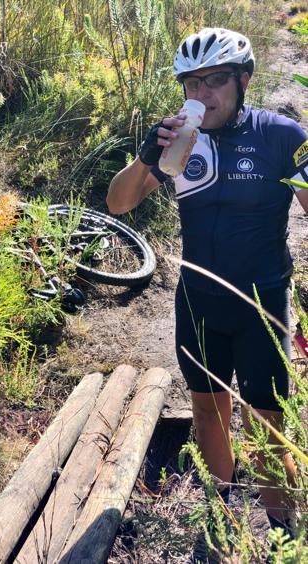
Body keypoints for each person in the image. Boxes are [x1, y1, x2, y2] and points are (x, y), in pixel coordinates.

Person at [107, 27, 308, 552]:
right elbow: (118, 203)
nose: (203, 95)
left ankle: (284, 535)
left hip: (261, 305)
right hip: (197, 302)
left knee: (266, 429)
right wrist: (146, 157)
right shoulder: (181, 140)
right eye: (192, 84)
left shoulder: (282, 135)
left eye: (216, 81)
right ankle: (220, 513)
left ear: (245, 80)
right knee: (207, 412)